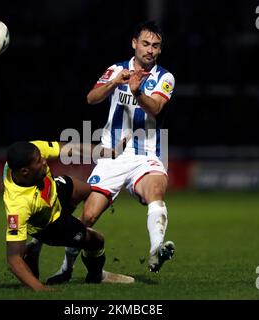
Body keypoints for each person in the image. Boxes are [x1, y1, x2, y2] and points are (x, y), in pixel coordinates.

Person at [47, 21, 175, 285]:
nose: (150, 50)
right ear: (134, 43)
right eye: (146, 44)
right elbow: (91, 98)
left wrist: (137, 92)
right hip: (112, 156)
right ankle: (66, 267)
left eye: (156, 46)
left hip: (147, 153)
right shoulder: (116, 69)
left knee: (155, 191)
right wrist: (115, 82)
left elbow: (156, 109)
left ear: (160, 50)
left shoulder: (165, 78)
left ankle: (156, 249)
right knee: (89, 216)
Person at [3, 140, 134, 291]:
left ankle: (41, 244)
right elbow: (13, 259)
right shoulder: (18, 206)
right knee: (97, 241)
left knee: (87, 190)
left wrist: (111, 153)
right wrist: (41, 289)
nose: (44, 160)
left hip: (54, 193)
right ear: (25, 171)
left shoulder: (31, 151)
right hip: (50, 223)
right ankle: (96, 275)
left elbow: (72, 148)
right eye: (39, 161)